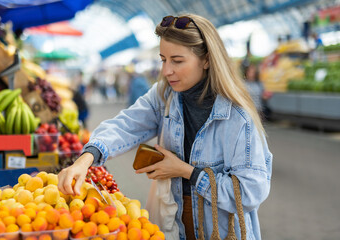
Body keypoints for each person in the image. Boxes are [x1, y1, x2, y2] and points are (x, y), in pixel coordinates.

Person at [58, 14, 272, 240]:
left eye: (177, 61)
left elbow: (250, 192)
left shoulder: (238, 117)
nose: (166, 71)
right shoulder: (164, 96)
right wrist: (86, 158)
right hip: (175, 225)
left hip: (222, 231)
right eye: (163, 60)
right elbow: (126, 125)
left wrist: (185, 171)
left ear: (207, 60)